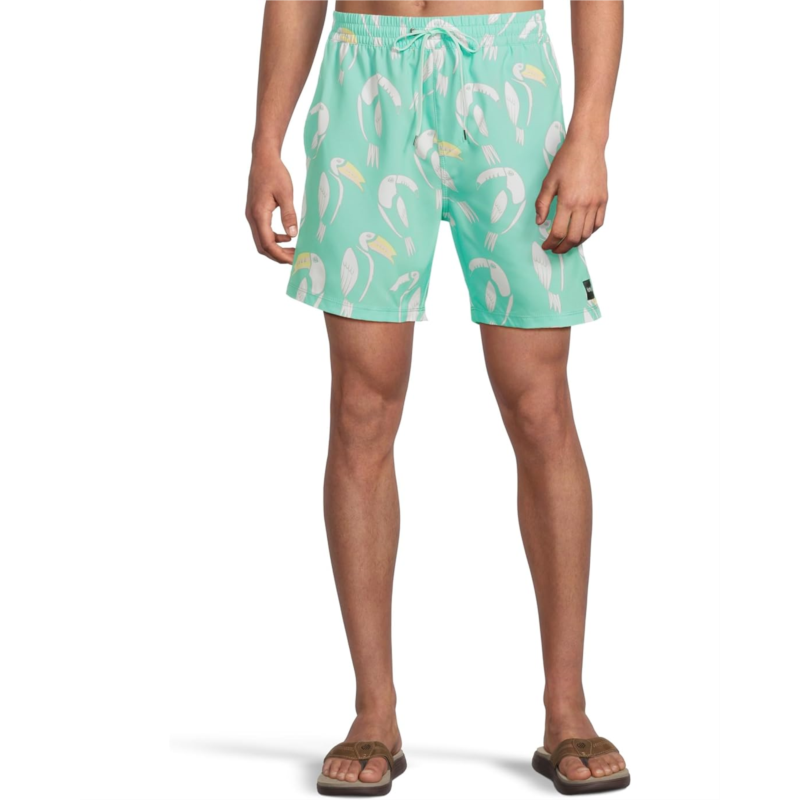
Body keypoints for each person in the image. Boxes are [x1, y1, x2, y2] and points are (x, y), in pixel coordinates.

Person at [246, 0, 627, 795]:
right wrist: (265, 140)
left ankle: (567, 708)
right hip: (363, 80)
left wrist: (590, 131)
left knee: (540, 406)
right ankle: (373, 712)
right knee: (360, 409)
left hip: (506, 75)